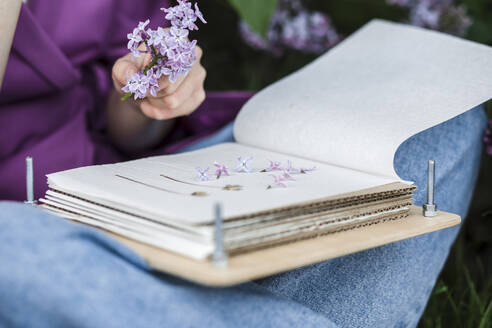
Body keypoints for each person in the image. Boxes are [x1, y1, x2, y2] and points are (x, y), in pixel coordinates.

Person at [0, 1, 487, 327]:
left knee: (435, 129)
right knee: (16, 248)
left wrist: (145, 98)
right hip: (27, 217)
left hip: (125, 183)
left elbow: (124, 125)